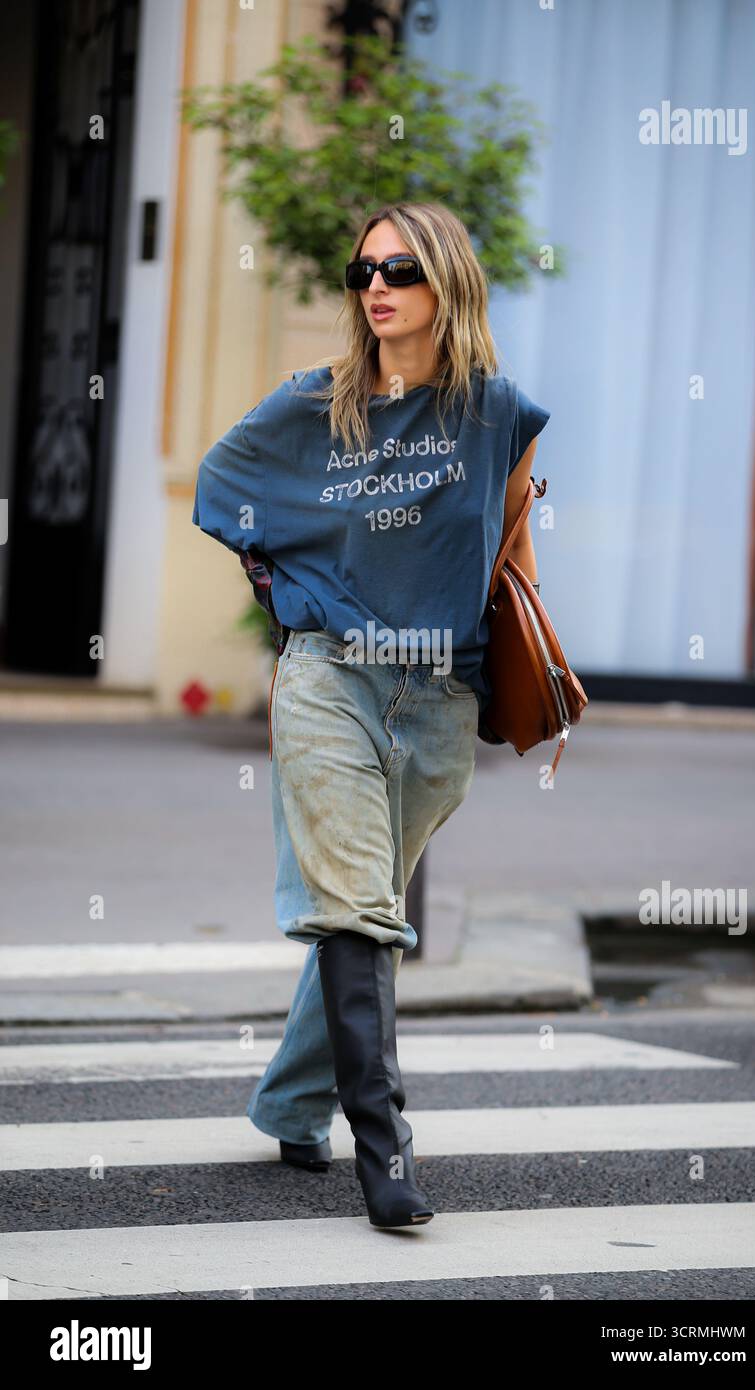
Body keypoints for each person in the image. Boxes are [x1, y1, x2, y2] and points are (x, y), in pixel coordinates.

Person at [192, 201, 550, 1230]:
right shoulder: (314, 405)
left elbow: (508, 549)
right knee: (356, 914)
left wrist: (535, 683)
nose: (375, 287)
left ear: (447, 279)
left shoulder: (496, 412)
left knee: (364, 917)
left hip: (437, 695)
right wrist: (291, 586)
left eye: (397, 268)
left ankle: (289, 1104)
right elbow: (222, 486)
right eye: (361, 273)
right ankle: (383, 1149)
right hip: (330, 682)